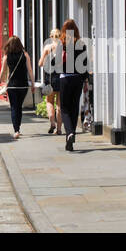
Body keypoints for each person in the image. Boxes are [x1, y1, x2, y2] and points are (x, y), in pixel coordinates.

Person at [56, 20, 89, 152]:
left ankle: (69, 133)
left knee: (64, 108)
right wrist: (85, 77)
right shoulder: (81, 44)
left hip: (65, 78)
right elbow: (85, 63)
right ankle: (72, 135)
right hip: (78, 79)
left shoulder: (61, 44)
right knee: (74, 107)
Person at [1, 36, 34, 138]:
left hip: (12, 86)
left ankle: (16, 130)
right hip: (23, 86)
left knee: (14, 108)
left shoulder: (7, 56)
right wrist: (32, 83)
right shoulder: (25, 55)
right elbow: (30, 70)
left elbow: (3, 71)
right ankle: (18, 128)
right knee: (19, 107)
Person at [39, 29, 63, 136]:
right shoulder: (63, 48)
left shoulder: (47, 48)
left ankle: (52, 123)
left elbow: (40, 63)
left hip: (50, 79)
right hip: (61, 78)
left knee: (49, 102)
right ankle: (59, 129)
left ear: (50, 36)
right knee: (59, 105)